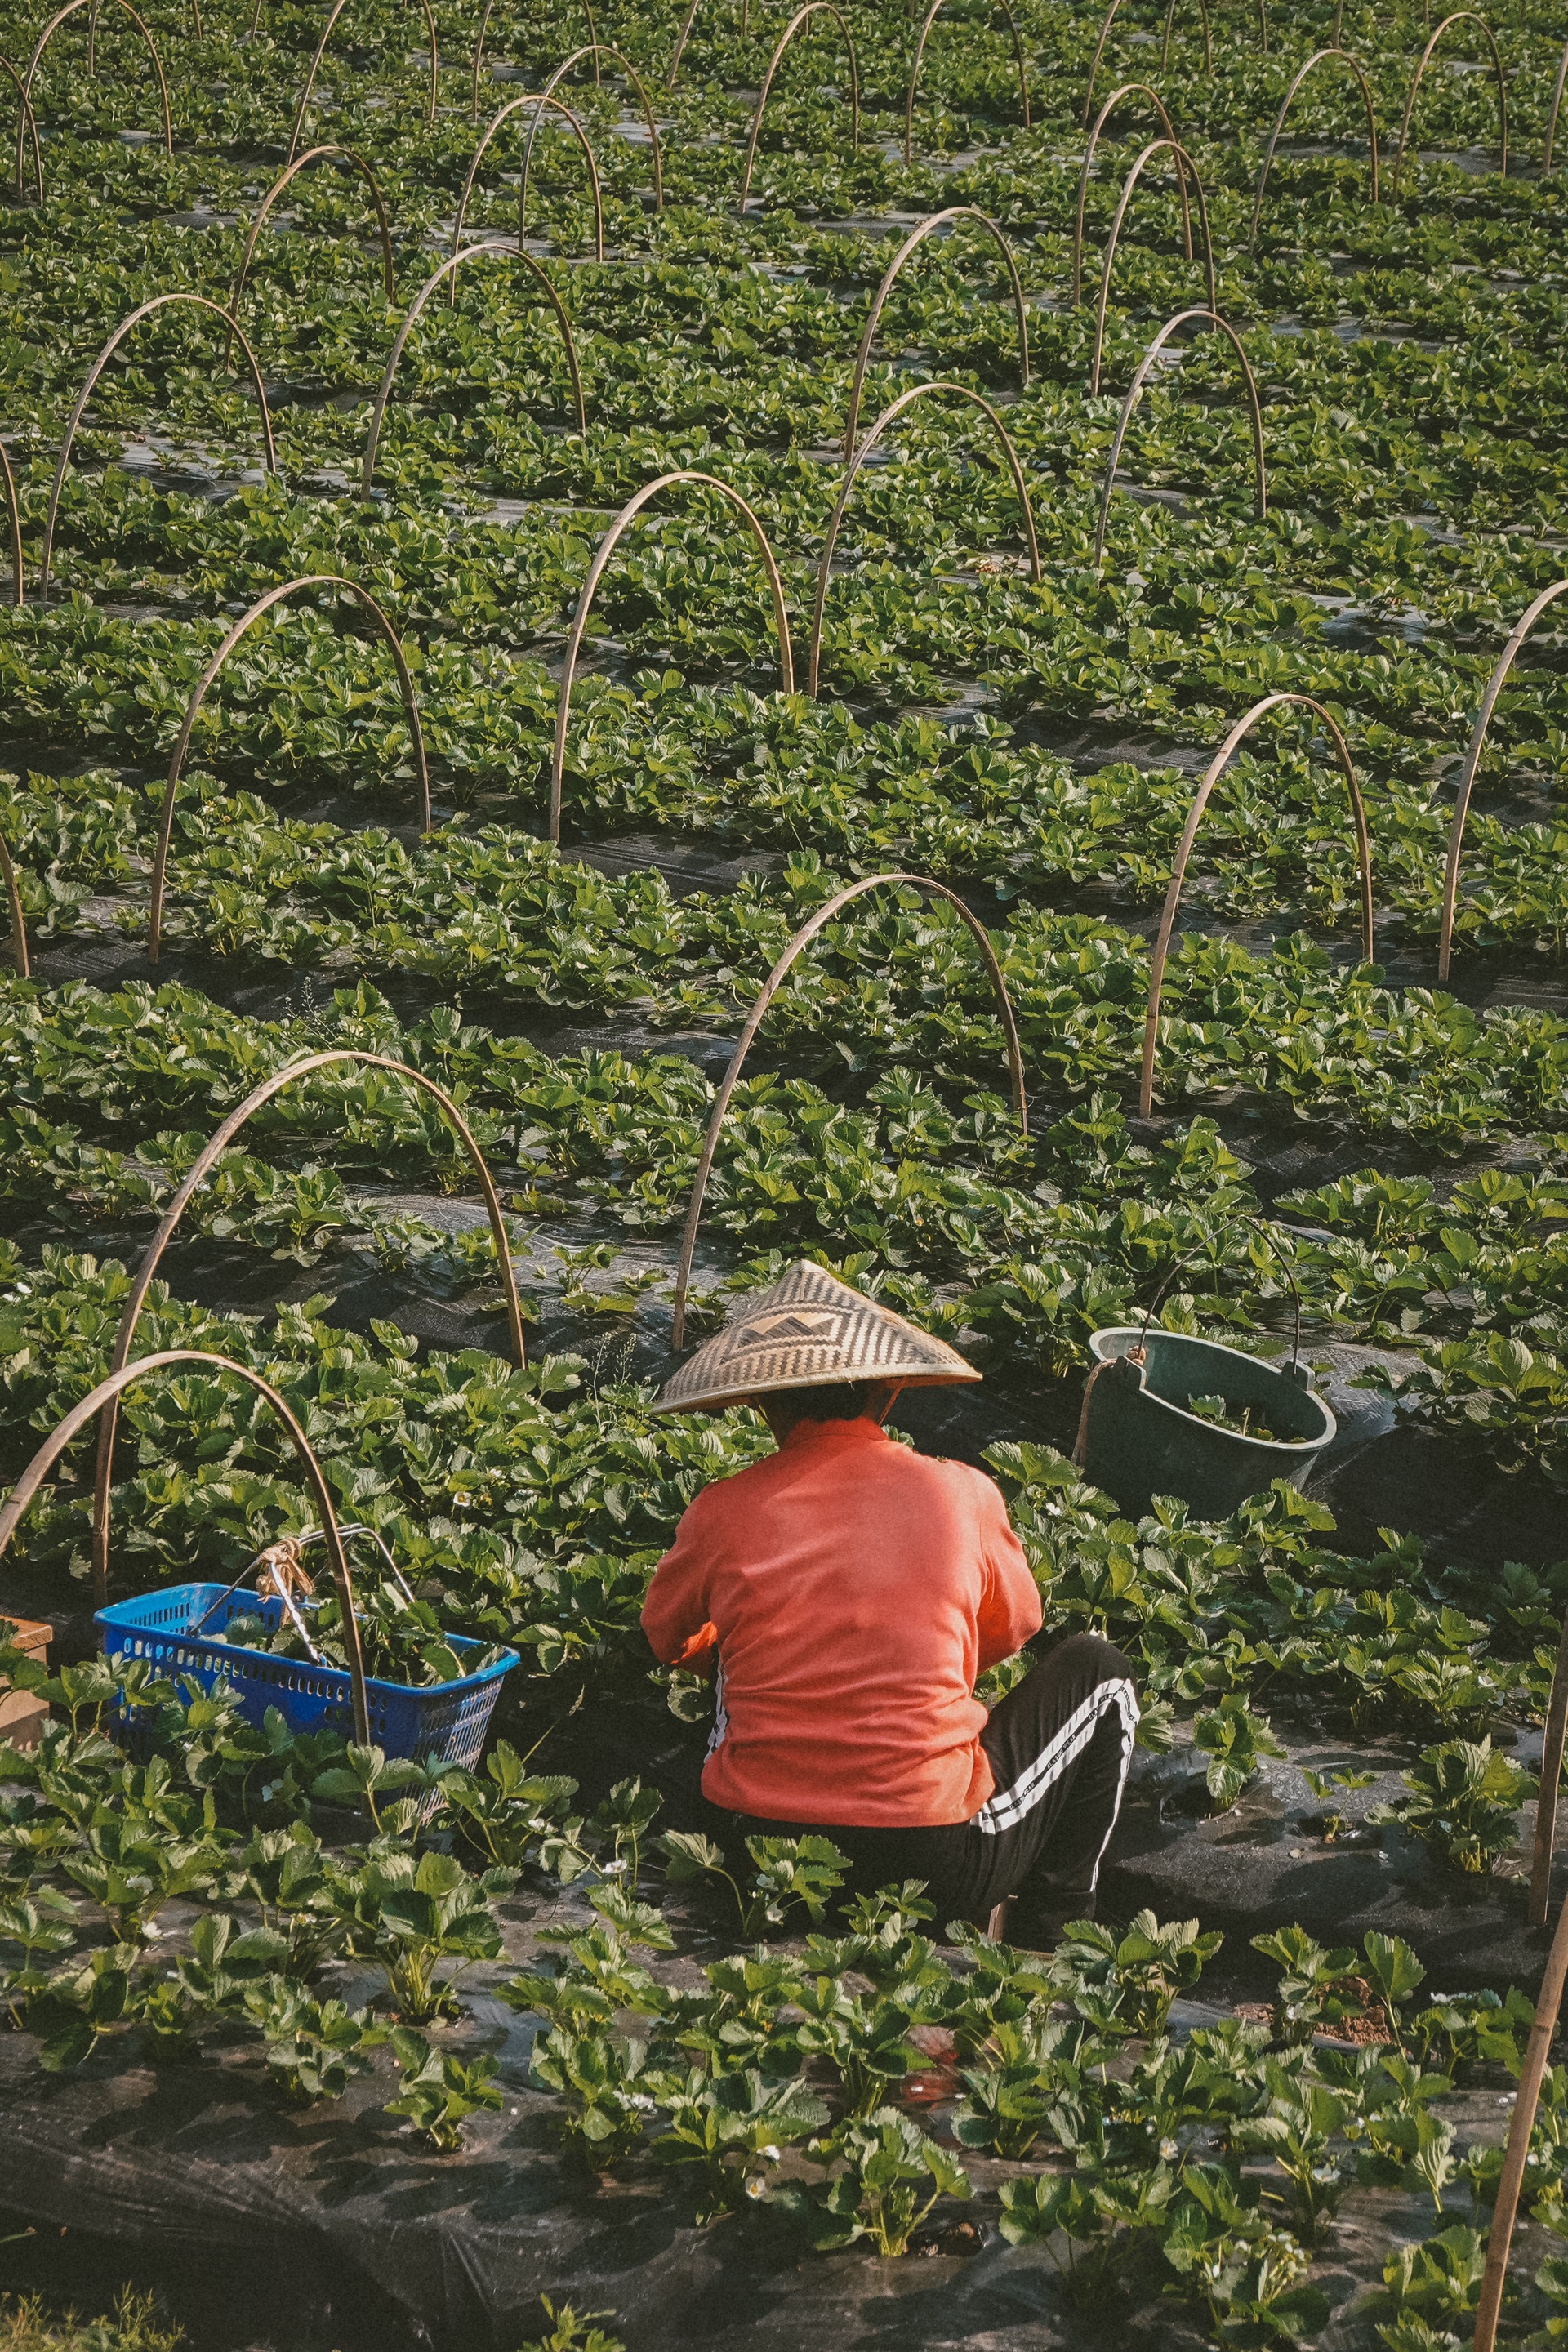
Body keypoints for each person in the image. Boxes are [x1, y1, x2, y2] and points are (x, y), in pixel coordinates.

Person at [643, 1259, 1138, 1942]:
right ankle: (1051, 1936)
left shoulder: (722, 1508)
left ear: (763, 1404)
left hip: (758, 1858)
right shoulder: (960, 1493)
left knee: (733, 1644)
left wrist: (762, 1652)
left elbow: (667, 1639)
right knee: (1100, 1672)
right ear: (890, 1392)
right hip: (929, 1864)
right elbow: (1018, 1626)